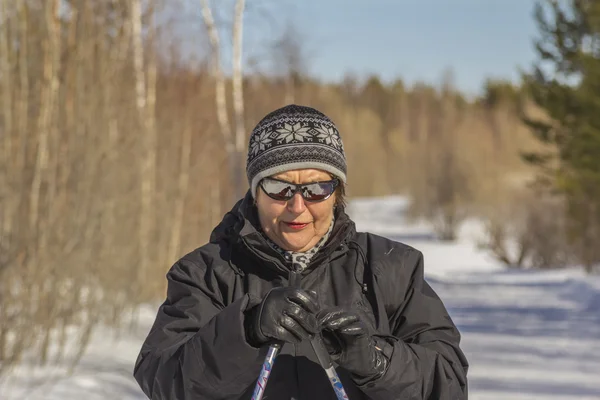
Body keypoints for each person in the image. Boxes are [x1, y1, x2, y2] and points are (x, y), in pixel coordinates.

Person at [133, 104, 469, 399]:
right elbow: (165, 382)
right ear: (255, 193)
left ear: (337, 193)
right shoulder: (205, 273)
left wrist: (375, 360)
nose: (297, 206)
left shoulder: (392, 267)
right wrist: (246, 331)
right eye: (279, 188)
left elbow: (449, 383)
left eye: (316, 189)